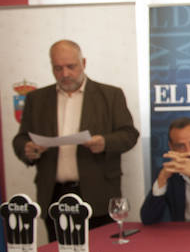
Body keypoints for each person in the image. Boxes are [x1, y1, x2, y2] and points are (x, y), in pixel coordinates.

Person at [12, 39, 139, 239]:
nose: (65, 74)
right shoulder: (36, 99)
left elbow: (129, 135)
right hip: (54, 194)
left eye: (71, 66)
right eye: (58, 68)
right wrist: (27, 148)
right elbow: (20, 139)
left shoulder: (110, 95)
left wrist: (105, 142)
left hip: (97, 194)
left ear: (84, 63)